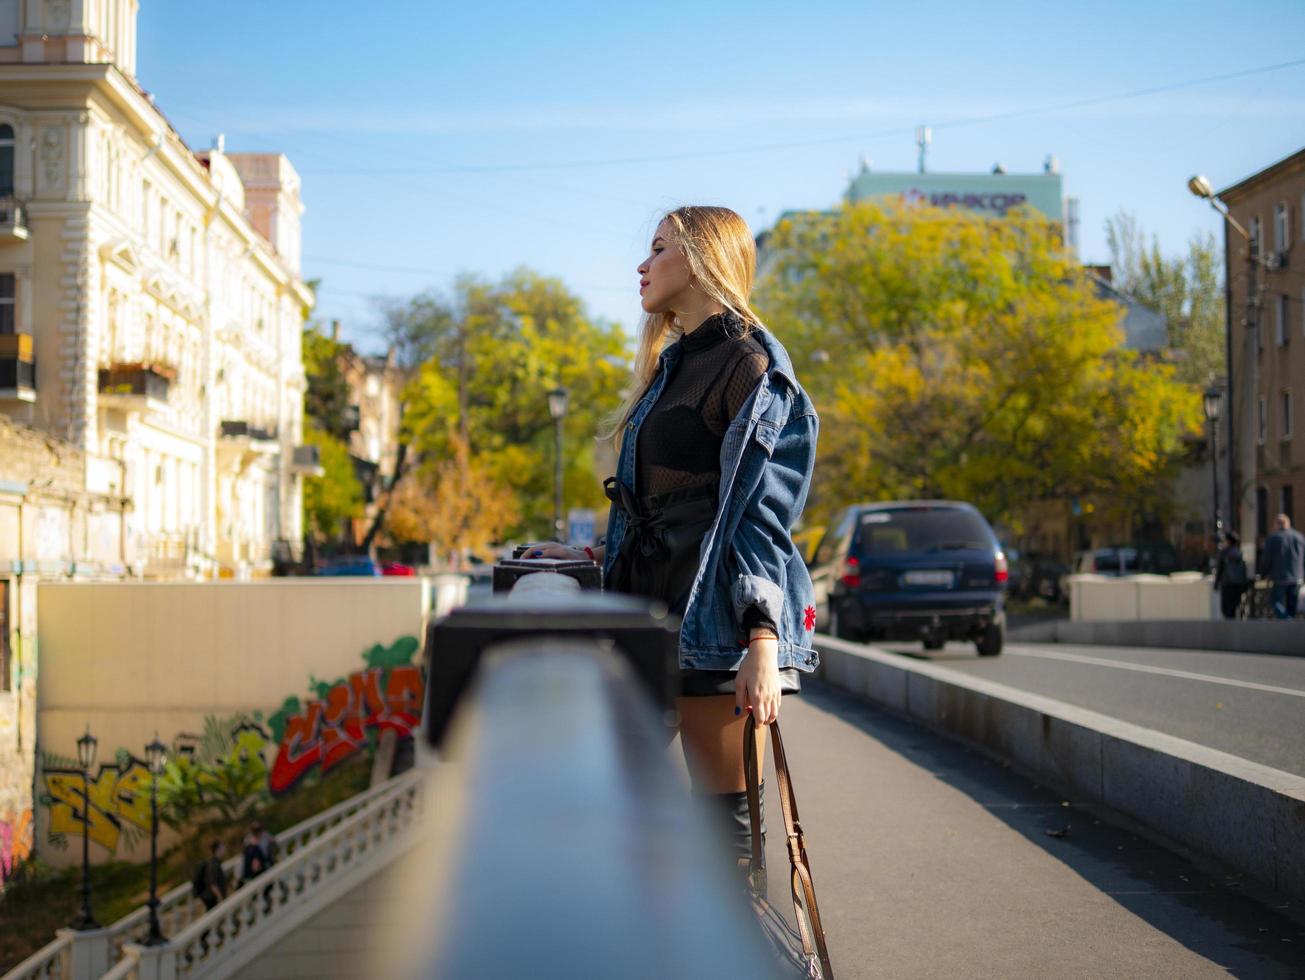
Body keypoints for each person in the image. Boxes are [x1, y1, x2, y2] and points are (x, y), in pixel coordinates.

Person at [525, 205, 819, 883]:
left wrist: (762, 642)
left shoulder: (747, 365)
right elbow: (660, 501)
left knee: (724, 838)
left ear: (697, 257)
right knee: (622, 814)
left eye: (657, 249)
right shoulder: (671, 364)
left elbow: (759, 514)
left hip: (711, 621)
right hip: (647, 612)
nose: (641, 264)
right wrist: (591, 558)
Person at [1260, 513, 1304, 619]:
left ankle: (1287, 620)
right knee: (1291, 604)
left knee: (1275, 602)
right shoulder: (1299, 537)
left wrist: (1263, 573)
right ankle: (1290, 623)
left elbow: (1266, 558)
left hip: (1279, 576)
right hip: (1296, 576)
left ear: (1277, 524)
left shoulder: (1274, 538)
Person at [1213, 530, 1248, 620]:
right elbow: (1244, 569)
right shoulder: (1240, 552)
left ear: (1228, 541)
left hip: (1227, 584)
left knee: (1226, 609)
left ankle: (1229, 629)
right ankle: (1234, 626)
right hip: (1238, 584)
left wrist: (1216, 584)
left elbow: (1219, 569)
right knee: (1235, 607)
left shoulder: (1224, 553)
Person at [193, 839, 227, 911]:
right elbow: (213, 884)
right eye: (222, 847)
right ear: (218, 849)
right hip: (212, 899)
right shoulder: (213, 864)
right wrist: (220, 897)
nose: (224, 849)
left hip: (212, 898)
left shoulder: (215, 862)